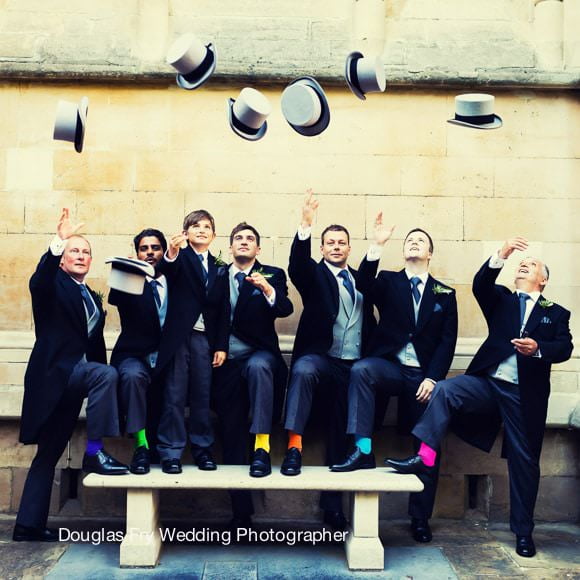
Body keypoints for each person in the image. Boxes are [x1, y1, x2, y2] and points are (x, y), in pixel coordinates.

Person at [385, 237, 573, 558]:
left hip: (523, 396)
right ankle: (424, 456)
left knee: (525, 463)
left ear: (543, 279)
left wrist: (539, 349)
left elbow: (565, 347)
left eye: (532, 265)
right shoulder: (501, 300)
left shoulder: (555, 313)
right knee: (444, 390)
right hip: (487, 384)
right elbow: (480, 284)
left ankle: (524, 533)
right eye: (521, 264)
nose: (524, 265)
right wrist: (500, 255)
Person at [331, 227, 458, 544]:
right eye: (409, 240)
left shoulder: (445, 293)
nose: (414, 243)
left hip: (423, 378)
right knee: (362, 370)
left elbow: (447, 342)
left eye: (421, 241)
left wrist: (433, 377)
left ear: (430, 253)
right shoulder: (389, 281)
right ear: (403, 251)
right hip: (390, 368)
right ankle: (362, 450)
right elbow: (363, 285)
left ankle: (420, 518)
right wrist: (376, 245)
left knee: (428, 448)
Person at [13, 208, 127, 543]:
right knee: (48, 454)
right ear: (63, 259)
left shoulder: (91, 296)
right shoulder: (52, 284)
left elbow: (92, 345)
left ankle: (28, 525)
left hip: (76, 382)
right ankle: (93, 453)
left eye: (85, 252)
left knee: (102, 374)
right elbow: (39, 280)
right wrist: (58, 242)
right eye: (74, 251)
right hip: (53, 378)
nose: (80, 255)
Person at [281, 189, 379, 530]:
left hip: (355, 366)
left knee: (342, 433)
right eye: (330, 243)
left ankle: (333, 509)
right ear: (322, 248)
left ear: (349, 248)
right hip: (322, 358)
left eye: (342, 243)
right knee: (304, 368)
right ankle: (294, 447)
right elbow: (297, 266)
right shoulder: (315, 275)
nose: (336, 247)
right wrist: (305, 226)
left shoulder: (362, 281)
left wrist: (377, 247)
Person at [213, 222, 293, 527]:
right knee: (231, 432)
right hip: (224, 363)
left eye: (250, 239)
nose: (244, 242)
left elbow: (284, 308)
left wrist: (267, 290)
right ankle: (241, 512)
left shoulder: (272, 273)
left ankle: (262, 445)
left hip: (259, 355)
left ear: (258, 249)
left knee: (260, 367)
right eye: (238, 238)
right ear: (231, 246)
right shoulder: (217, 274)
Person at [155, 210, 229, 474]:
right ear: (186, 233)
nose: (201, 230)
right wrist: (172, 252)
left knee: (202, 396)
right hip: (179, 338)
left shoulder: (220, 268)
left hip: (204, 340)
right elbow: (166, 270)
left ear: (214, 234)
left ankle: (202, 450)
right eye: (195, 226)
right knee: (174, 396)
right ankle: (171, 452)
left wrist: (221, 345)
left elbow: (223, 311)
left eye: (207, 226)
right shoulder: (180, 258)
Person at [109, 228, 169, 474]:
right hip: (133, 355)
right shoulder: (130, 280)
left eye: (155, 248)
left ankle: (169, 449)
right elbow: (115, 297)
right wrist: (129, 269)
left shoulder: (174, 280)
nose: (150, 253)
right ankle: (141, 446)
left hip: (167, 357)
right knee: (133, 377)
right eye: (144, 249)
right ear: (137, 253)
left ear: (164, 251)